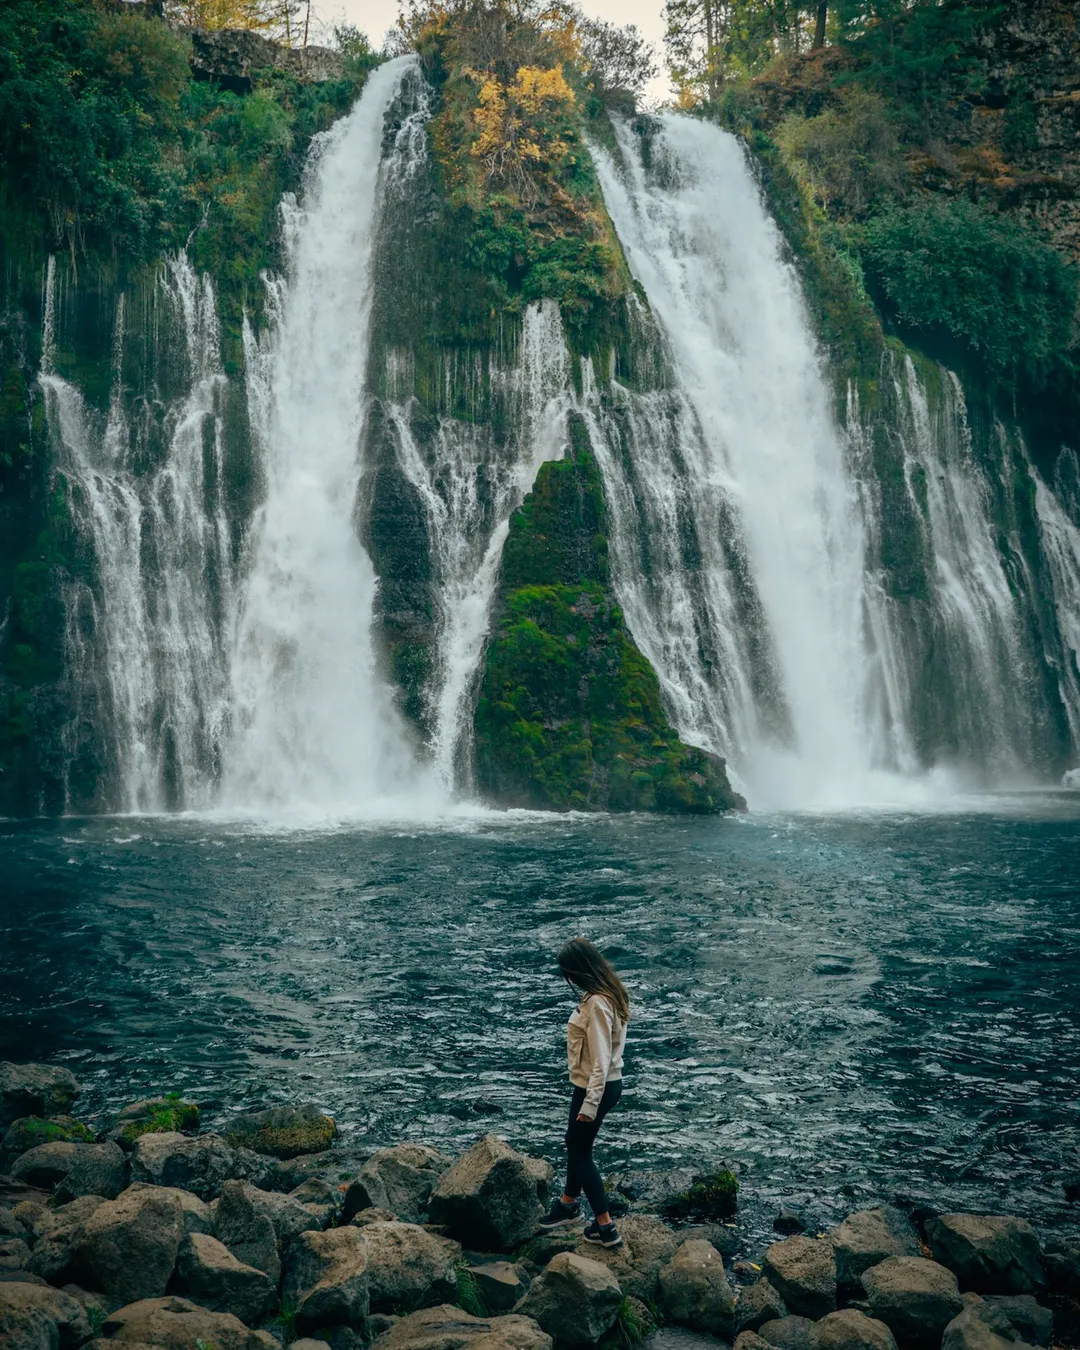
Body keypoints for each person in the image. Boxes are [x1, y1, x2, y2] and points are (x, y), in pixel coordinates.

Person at [539, 936, 629, 1248]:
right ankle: (567, 1205)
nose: (569, 980)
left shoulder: (597, 1004)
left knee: (580, 1151)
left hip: (596, 1087)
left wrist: (590, 1103)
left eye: (569, 973)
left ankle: (605, 1227)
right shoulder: (608, 994)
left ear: (580, 970)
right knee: (576, 1143)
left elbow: (601, 1060)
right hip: (598, 1085)